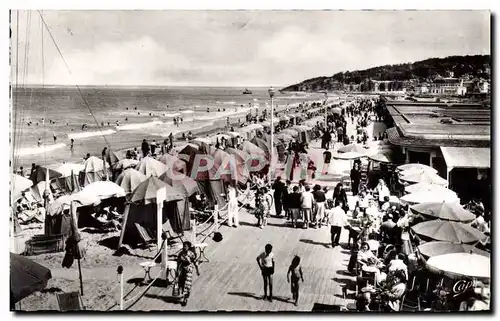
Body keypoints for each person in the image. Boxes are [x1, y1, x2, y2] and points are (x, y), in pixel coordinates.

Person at [176, 241, 200, 306]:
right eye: (183, 246)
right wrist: (177, 271)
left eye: (185, 246)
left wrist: (197, 270)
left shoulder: (191, 254)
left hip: (189, 269)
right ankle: (186, 294)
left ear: (188, 247)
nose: (184, 247)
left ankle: (185, 299)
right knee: (182, 283)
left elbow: (195, 261)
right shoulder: (180, 254)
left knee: (187, 284)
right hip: (182, 269)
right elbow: (178, 262)